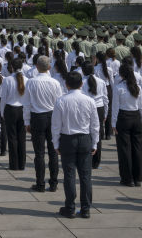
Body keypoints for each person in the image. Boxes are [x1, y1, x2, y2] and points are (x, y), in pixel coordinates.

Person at [52, 70, 99, 220]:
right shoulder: (89, 100)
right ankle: (85, 209)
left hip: (68, 139)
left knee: (69, 175)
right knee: (85, 176)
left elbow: (56, 125)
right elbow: (95, 125)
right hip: (84, 138)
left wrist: (55, 142)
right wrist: (95, 142)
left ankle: (70, 207)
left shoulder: (61, 101)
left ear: (66, 84)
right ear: (82, 84)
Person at [25, 56, 64, 193]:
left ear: (36, 66)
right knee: (53, 151)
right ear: (49, 67)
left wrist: (27, 121)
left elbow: (27, 104)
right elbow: (59, 103)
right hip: (52, 116)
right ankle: (53, 183)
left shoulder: (31, 82)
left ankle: (40, 183)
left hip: (37, 117)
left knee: (39, 153)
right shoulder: (55, 83)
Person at [113, 62, 142, 187]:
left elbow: (115, 107)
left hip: (123, 117)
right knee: (137, 148)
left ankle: (127, 178)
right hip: (136, 117)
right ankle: (137, 178)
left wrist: (113, 123)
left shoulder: (119, 88)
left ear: (121, 75)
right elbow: (141, 107)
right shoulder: (137, 87)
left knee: (124, 149)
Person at [0, 57, 27, 171]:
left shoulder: (7, 80)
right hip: (23, 109)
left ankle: (14, 164)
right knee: (22, 138)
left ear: (11, 67)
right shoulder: (27, 79)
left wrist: (2, 112)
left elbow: (3, 98)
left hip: (10, 109)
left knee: (12, 138)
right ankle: (22, 164)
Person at [81, 63, 108, 170]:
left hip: (86, 108)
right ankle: (96, 161)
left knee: (86, 133)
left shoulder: (81, 82)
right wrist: (106, 113)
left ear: (83, 71)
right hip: (99, 108)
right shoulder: (101, 81)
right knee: (97, 133)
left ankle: (86, 158)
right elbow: (105, 99)